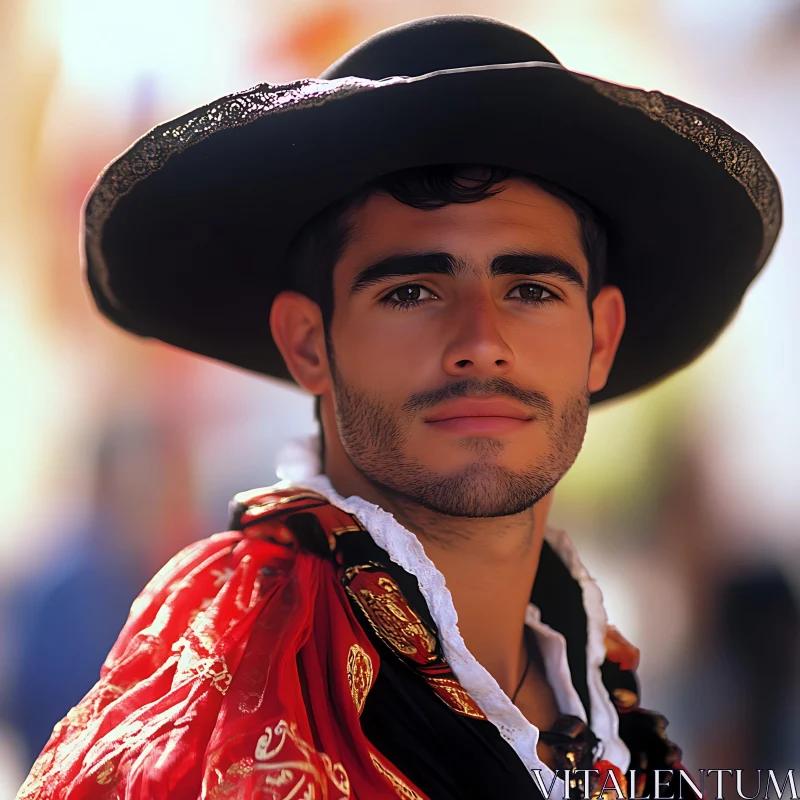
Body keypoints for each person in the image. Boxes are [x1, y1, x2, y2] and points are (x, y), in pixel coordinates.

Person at [17, 14, 781, 800]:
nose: (481, 341)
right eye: (412, 291)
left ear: (600, 337)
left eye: (531, 290)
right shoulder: (211, 703)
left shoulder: (607, 705)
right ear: (309, 344)